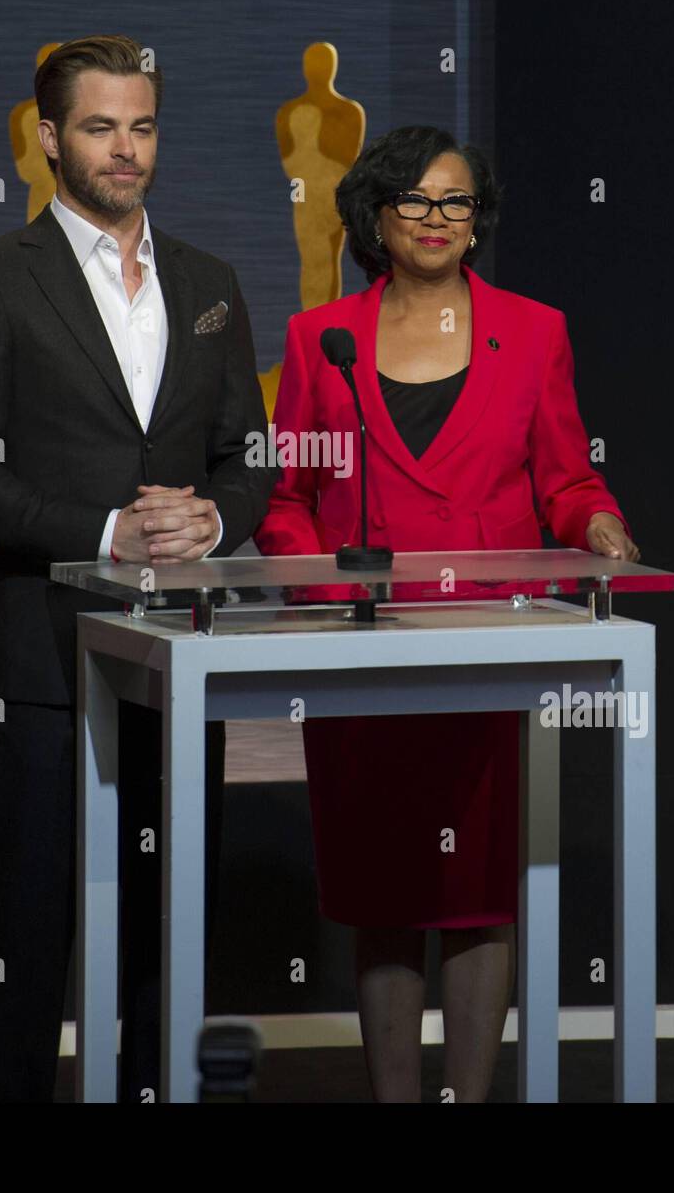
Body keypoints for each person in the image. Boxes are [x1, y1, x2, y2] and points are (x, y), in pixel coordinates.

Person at [0, 34, 274, 1102]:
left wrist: (215, 519)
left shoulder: (209, 281)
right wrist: (106, 531)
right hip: (46, 652)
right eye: (100, 126)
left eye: (143, 125)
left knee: (170, 924)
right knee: (29, 926)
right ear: (46, 138)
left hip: (183, 657)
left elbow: (246, 456)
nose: (126, 150)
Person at [254, 125, 640, 1103]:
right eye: (416, 201)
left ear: (477, 221)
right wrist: (319, 589)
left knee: (478, 889)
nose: (436, 219)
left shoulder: (535, 329)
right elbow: (286, 498)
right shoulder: (319, 337)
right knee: (381, 890)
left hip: (490, 647)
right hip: (361, 648)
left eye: (455, 202)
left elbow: (565, 476)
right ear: (375, 218)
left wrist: (599, 524)